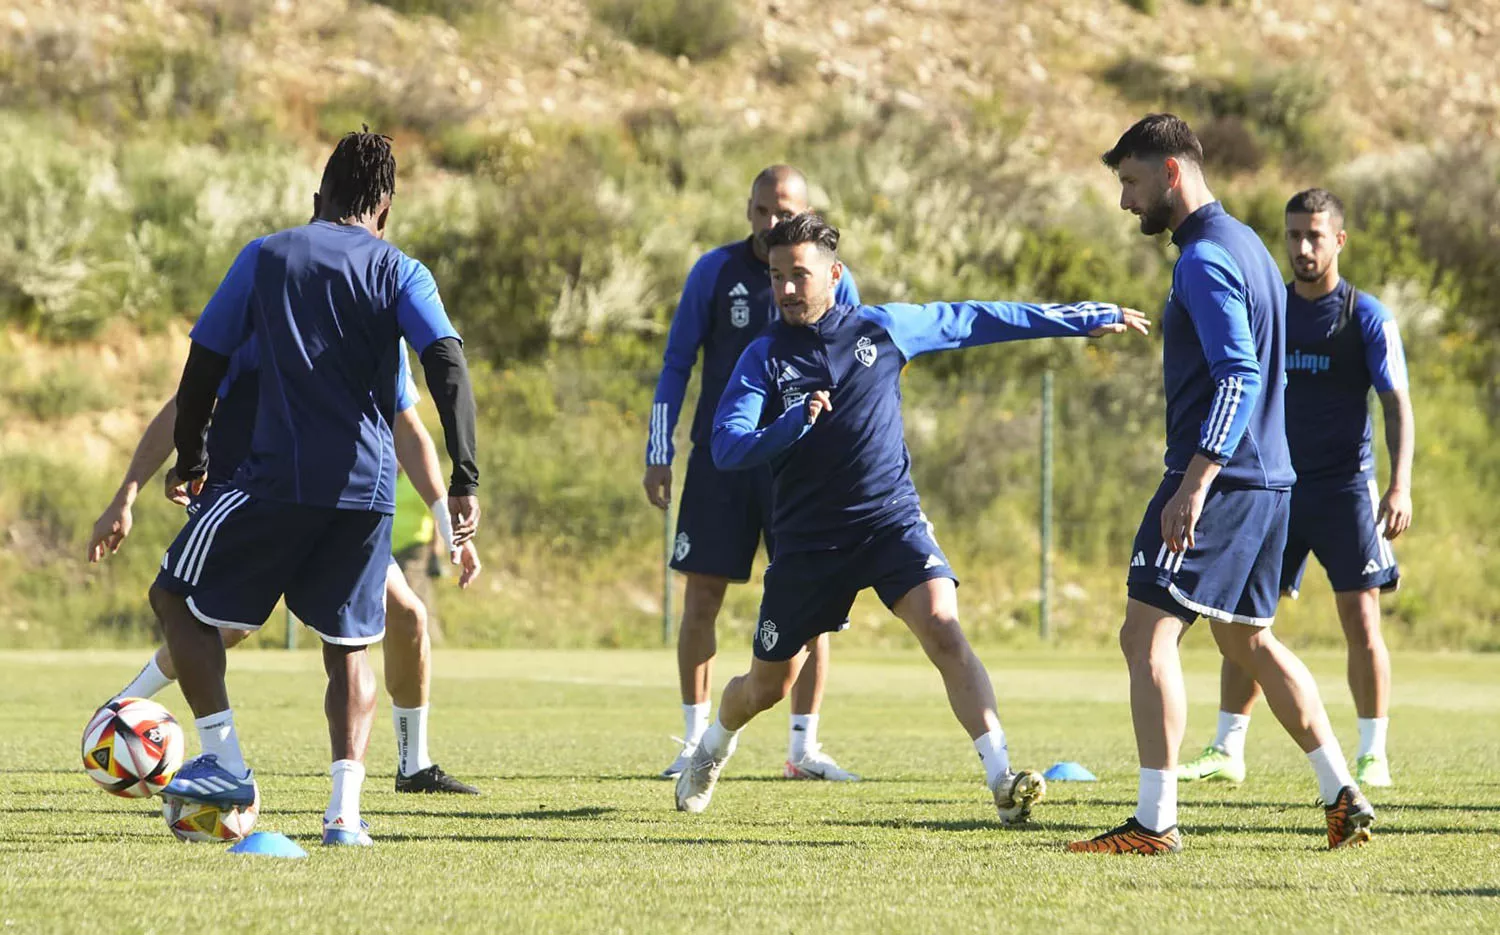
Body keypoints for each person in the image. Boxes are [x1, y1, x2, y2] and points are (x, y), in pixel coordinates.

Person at [672, 212, 1149, 819]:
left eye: (800, 275)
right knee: (767, 687)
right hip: (808, 545)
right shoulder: (764, 356)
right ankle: (713, 748)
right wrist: (790, 425)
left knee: (945, 629)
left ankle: (1002, 780)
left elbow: (977, 318)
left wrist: (1078, 318)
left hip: (889, 521)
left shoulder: (884, 328)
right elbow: (728, 445)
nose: (787, 289)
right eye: (776, 276)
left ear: (834, 275)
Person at [149, 130, 480, 846]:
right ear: (384, 209)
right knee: (350, 647)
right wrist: (464, 477)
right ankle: (344, 816)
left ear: (318, 197)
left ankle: (228, 763)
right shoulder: (401, 271)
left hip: (275, 481)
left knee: (172, 595)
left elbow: (204, 359)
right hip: (367, 495)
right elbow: (446, 364)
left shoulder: (268, 255)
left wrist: (191, 455)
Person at [1069, 115, 1374, 855]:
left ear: (1172, 173)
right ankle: (1341, 792)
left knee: (1146, 635)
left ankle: (1155, 821)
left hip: (1224, 479)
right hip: (1271, 482)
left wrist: (1196, 480)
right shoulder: (1247, 246)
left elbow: (1238, 374)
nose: (1125, 202)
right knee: (1249, 640)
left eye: (1132, 182)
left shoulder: (1204, 258)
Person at [89, 339, 483, 795]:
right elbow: (185, 402)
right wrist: (126, 495)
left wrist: (446, 521)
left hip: (329, 511)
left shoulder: (373, 326)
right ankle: (124, 708)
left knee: (408, 616)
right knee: (224, 627)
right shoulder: (263, 316)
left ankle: (414, 767)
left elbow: (406, 426)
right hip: (246, 500)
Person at [1177, 188, 1412, 789]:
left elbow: (1397, 406)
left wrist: (1399, 484)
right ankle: (1228, 748)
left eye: (1315, 235)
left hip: (1345, 492)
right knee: (1243, 617)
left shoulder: (1366, 316)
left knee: (1361, 622)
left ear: (1339, 240)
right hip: (1276, 488)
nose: (1302, 247)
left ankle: (1372, 752)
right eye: (1293, 235)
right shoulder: (1273, 307)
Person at [645, 166, 861, 781]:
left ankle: (803, 749)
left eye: (784, 210)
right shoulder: (713, 272)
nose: (772, 223)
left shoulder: (830, 282)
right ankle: (692, 740)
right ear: (748, 210)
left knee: (814, 604)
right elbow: (676, 363)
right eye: (762, 210)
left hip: (800, 467)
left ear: (807, 212)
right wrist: (658, 451)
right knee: (701, 599)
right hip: (726, 464)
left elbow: (860, 370)